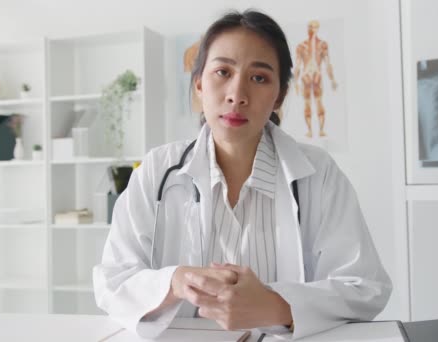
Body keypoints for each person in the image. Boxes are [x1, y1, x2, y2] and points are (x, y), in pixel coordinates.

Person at [93, 9, 391, 340]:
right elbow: (112, 282)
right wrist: (173, 281)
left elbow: (366, 287)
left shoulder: (319, 174)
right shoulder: (156, 171)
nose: (237, 94)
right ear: (198, 85)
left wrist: (278, 306)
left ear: (279, 96)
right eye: (222, 71)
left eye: (259, 77)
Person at [293, 20, 338, 138]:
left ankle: (321, 130)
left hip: (317, 75)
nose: (313, 30)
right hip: (306, 76)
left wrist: (332, 79)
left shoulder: (323, 45)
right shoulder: (301, 46)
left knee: (319, 101)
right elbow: (297, 65)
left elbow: (328, 63)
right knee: (307, 103)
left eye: (315, 27)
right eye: (311, 27)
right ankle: (310, 130)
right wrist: (295, 81)